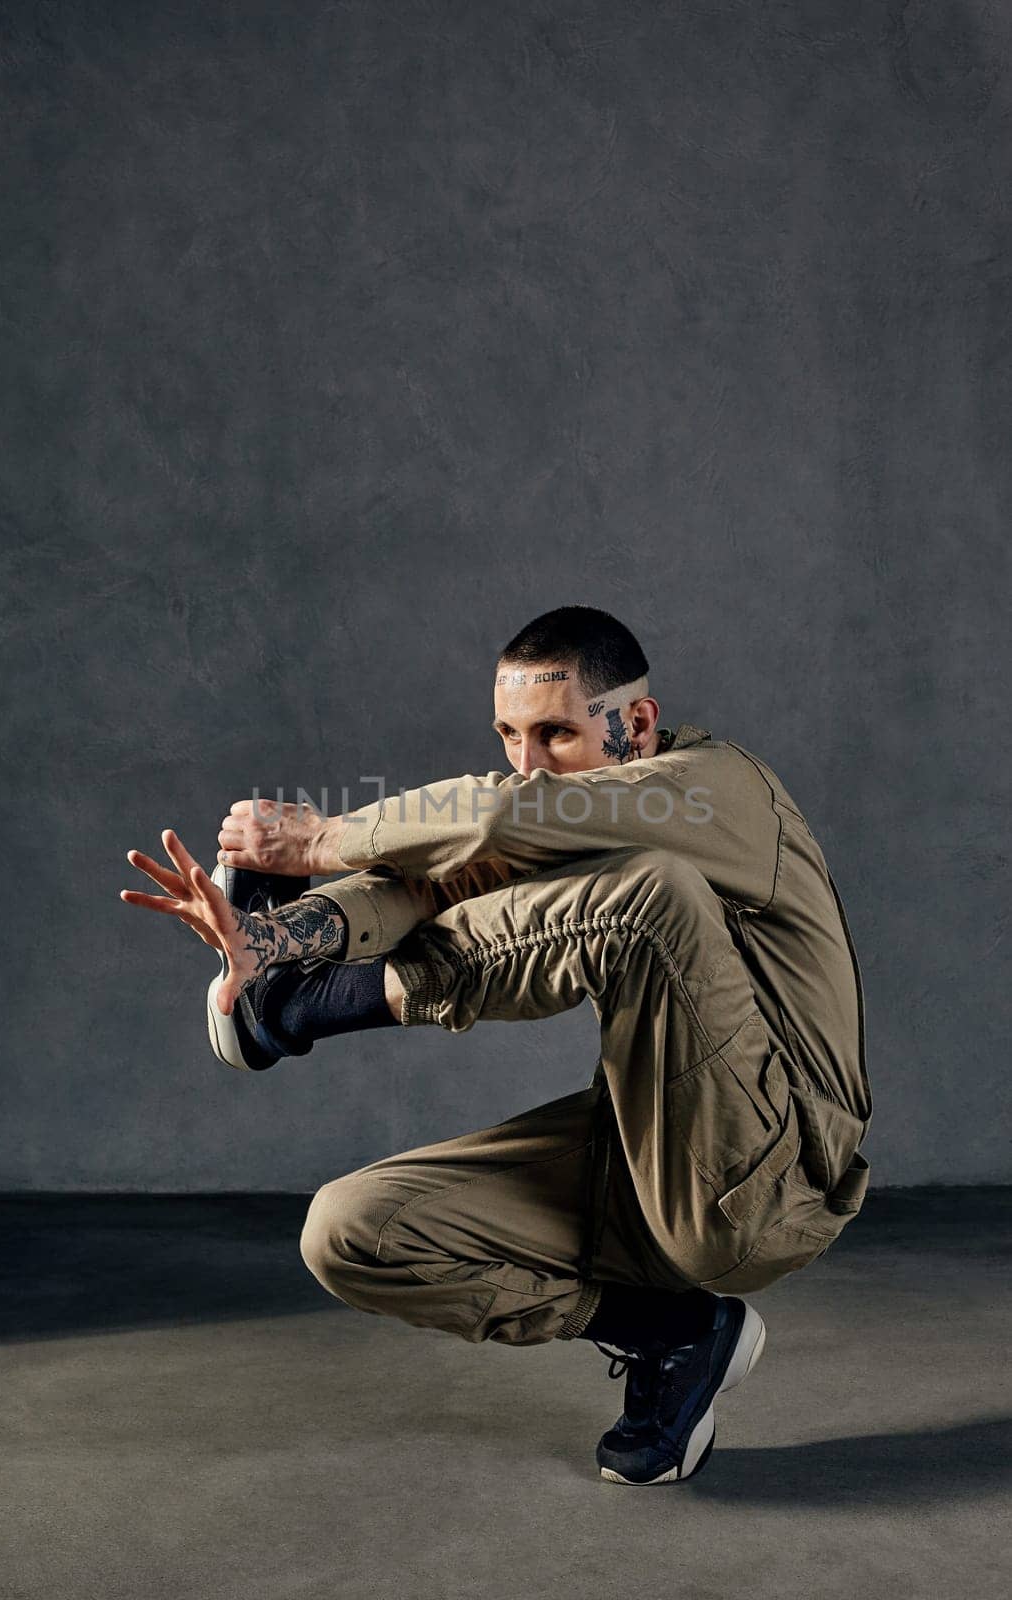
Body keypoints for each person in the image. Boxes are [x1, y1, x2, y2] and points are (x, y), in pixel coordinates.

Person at [121, 604, 873, 1486]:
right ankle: (671, 1336)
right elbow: (434, 876)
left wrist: (319, 838)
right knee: (349, 1230)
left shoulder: (714, 788)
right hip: (655, 1161)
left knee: (647, 896)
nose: (525, 763)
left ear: (634, 722)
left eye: (554, 733)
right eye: (509, 735)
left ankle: (303, 1011)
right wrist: (281, 937)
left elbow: (500, 818)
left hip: (770, 1181)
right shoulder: (551, 809)